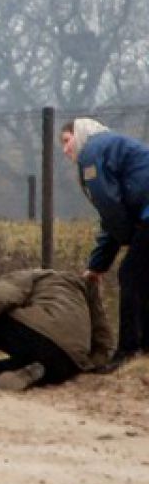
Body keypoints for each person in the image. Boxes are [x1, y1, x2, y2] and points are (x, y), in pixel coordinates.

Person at [60, 118, 149, 372]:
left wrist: (127, 240)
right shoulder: (110, 146)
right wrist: (97, 265)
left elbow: (109, 206)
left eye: (67, 141)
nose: (66, 150)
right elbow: (113, 213)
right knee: (142, 275)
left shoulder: (93, 152)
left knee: (131, 274)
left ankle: (128, 351)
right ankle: (144, 348)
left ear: (80, 133)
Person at [0, 269, 113, 390]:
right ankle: (9, 374)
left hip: (38, 333)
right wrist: (90, 366)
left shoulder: (33, 276)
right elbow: (103, 336)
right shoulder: (86, 291)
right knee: (42, 363)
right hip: (69, 359)